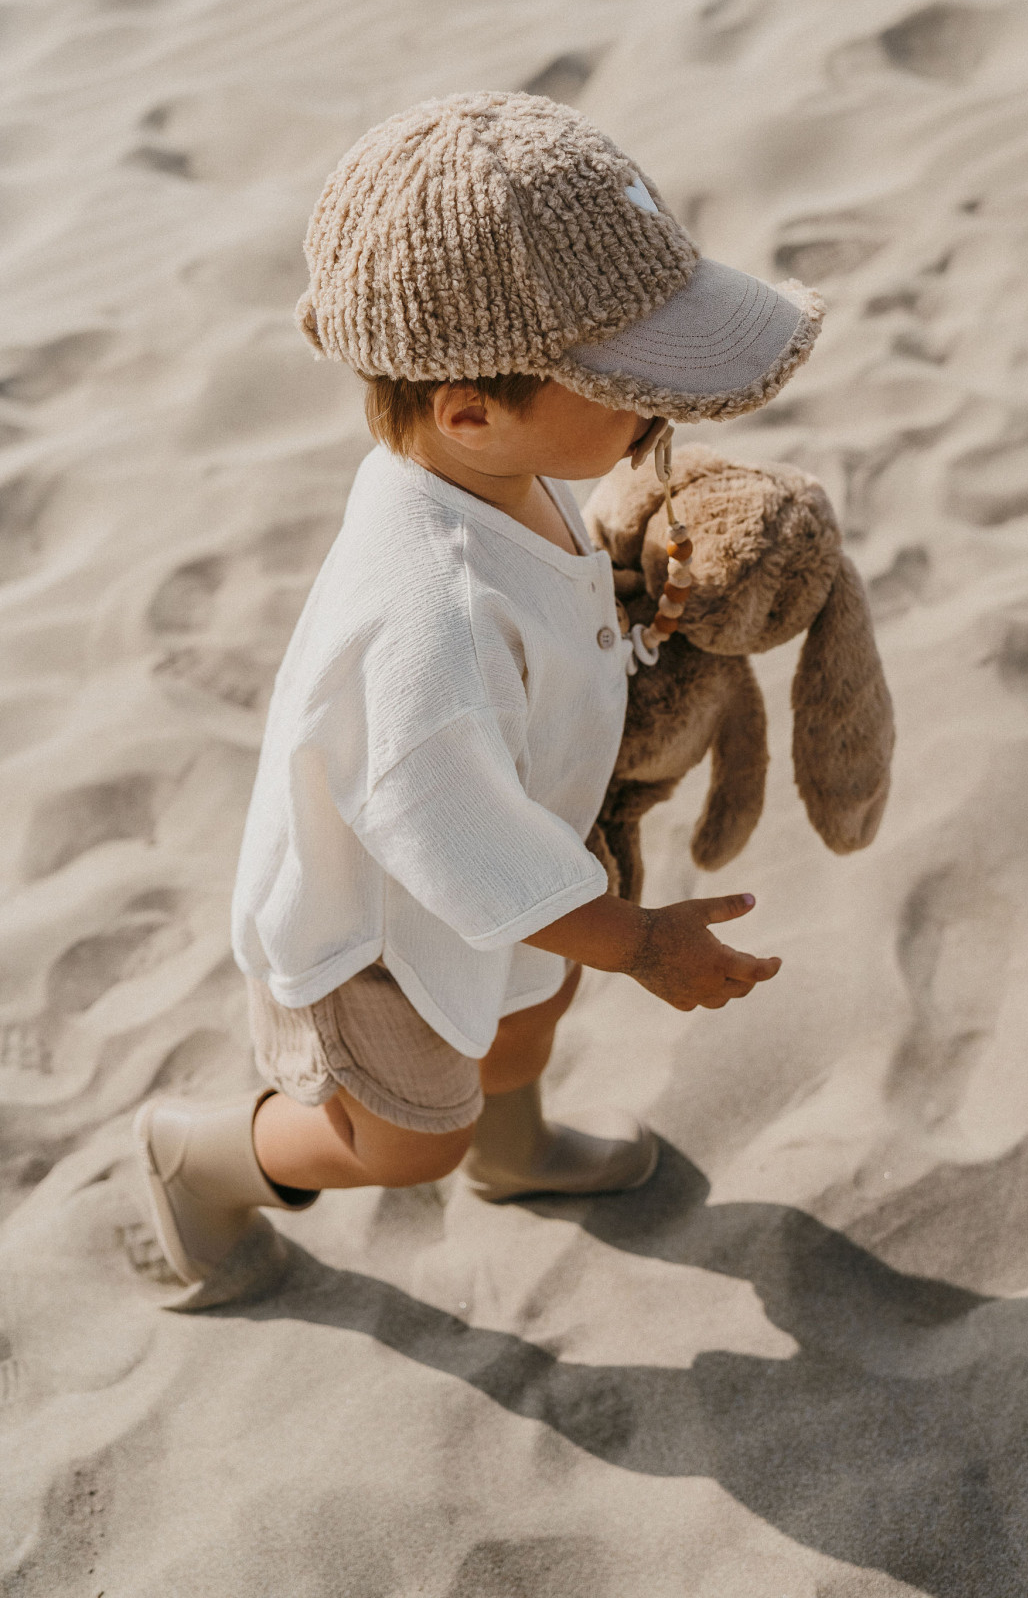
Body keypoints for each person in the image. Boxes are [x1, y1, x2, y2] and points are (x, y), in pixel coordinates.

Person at [135, 91, 825, 1301]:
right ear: (469, 410)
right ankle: (205, 1156)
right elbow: (449, 831)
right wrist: (642, 942)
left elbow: (542, 605)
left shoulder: (493, 471)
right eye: (630, 387)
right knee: (407, 1137)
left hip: (518, 877)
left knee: (524, 1017)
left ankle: (516, 1156)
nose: (658, 413)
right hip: (381, 935)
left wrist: (624, 576)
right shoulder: (428, 614)